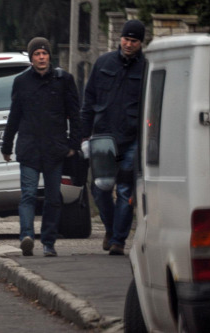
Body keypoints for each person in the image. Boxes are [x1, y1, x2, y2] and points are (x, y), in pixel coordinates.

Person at [1, 37, 81, 257]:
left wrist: (74, 143)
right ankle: (26, 236)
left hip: (55, 149)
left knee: (54, 197)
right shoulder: (21, 82)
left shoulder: (64, 80)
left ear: (49, 56)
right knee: (28, 195)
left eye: (44, 53)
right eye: (37, 54)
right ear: (31, 58)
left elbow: (75, 114)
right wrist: (6, 146)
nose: (41, 57)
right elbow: (14, 116)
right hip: (29, 149)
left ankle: (48, 242)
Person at [80, 20, 146, 256]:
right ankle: (110, 228)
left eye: (134, 41)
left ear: (141, 43)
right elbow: (88, 101)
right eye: (126, 39)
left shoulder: (146, 68)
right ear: (120, 39)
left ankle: (118, 240)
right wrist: (84, 136)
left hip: (132, 138)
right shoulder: (103, 63)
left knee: (126, 189)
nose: (128, 44)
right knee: (101, 189)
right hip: (103, 138)